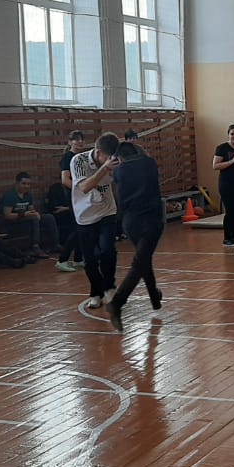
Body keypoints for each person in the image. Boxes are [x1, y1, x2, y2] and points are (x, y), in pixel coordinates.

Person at [105, 140, 164, 331]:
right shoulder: (149, 163)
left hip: (130, 222)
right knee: (140, 262)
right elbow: (147, 160)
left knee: (143, 258)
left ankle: (154, 297)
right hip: (151, 220)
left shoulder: (119, 171)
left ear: (119, 157)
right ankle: (117, 303)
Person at [70, 133, 121, 308]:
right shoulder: (78, 161)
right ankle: (95, 291)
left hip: (107, 211)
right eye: (107, 157)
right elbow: (85, 187)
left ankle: (109, 287)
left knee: (108, 250)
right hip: (85, 215)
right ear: (98, 153)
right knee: (90, 259)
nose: (111, 160)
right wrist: (105, 168)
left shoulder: (114, 162)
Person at [0, 172, 57, 260]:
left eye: (28, 184)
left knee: (49, 217)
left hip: (26, 219)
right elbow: (7, 215)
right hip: (14, 222)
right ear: (17, 183)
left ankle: (54, 244)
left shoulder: (28, 195)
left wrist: (35, 213)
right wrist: (24, 214)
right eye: (24, 184)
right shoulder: (10, 196)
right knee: (33, 219)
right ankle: (35, 247)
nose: (26, 186)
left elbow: (31, 209)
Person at [44, 177, 81, 273]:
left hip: (75, 211)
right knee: (77, 231)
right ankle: (63, 260)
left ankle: (78, 258)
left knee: (80, 232)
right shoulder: (59, 188)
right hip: (68, 214)